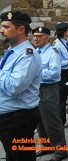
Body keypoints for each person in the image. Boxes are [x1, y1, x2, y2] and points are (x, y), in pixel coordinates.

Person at [0, 11, 42, 161]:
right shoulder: (12, 52)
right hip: (8, 118)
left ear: (21, 29)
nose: (1, 30)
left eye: (6, 26)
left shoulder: (27, 55)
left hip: (18, 119)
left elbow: (14, 87)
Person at [33, 27, 68, 161]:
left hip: (48, 89)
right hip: (36, 89)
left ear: (47, 37)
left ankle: (60, 150)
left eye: (39, 36)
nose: (35, 38)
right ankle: (46, 145)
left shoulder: (53, 52)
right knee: (40, 120)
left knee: (51, 120)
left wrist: (34, 74)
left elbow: (54, 74)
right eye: (34, 36)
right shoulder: (35, 52)